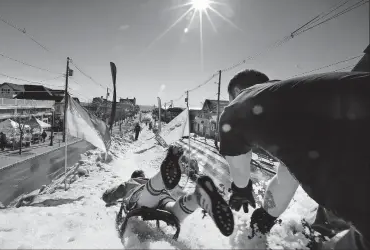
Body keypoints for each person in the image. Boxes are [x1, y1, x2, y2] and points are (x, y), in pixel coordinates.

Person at [218, 69, 370, 249]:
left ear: (236, 93)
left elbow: (240, 174)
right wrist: (267, 216)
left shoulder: (239, 106)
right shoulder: (298, 97)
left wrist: (241, 191)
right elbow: (287, 177)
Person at [102, 143, 234, 237]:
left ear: (135, 177)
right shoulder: (148, 179)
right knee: (174, 211)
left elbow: (118, 190)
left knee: (148, 196)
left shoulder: (133, 182)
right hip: (164, 195)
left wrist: (108, 197)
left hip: (144, 195)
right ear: (143, 176)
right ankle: (196, 198)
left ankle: (163, 175)